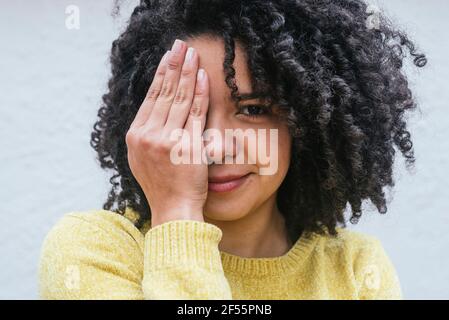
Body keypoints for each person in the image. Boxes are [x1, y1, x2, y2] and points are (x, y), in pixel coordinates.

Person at [38, 0, 427, 299]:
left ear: (307, 121)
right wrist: (177, 214)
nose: (216, 145)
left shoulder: (355, 269)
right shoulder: (93, 250)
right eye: (189, 110)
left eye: (254, 109)